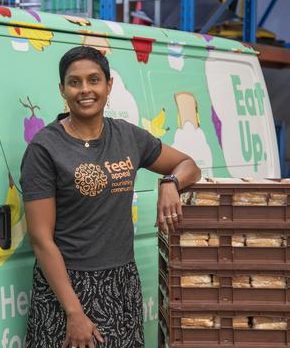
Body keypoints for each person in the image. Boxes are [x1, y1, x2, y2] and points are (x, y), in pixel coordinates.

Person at [20, 46, 201, 347]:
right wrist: (74, 312)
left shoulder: (128, 137)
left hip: (121, 284)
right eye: (74, 82)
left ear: (108, 86)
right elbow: (41, 239)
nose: (85, 90)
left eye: (93, 80)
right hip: (67, 289)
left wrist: (169, 182)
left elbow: (189, 165)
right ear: (62, 90)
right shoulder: (45, 148)